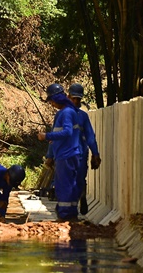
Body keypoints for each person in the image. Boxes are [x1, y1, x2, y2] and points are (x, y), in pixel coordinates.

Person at [37, 83, 81, 221]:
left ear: (56, 99)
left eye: (51, 100)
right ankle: (70, 214)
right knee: (70, 185)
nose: (51, 104)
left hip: (66, 155)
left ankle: (65, 215)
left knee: (64, 186)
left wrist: (46, 136)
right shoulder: (67, 111)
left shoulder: (66, 112)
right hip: (68, 153)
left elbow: (67, 132)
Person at [67, 83, 101, 215]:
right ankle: (69, 209)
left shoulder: (83, 116)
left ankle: (81, 198)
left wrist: (95, 154)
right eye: (73, 98)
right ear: (68, 96)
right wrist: (50, 155)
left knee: (80, 179)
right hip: (66, 155)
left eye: (78, 99)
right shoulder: (62, 115)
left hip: (80, 154)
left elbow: (90, 136)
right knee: (67, 180)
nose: (75, 101)